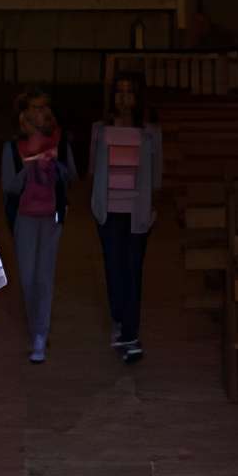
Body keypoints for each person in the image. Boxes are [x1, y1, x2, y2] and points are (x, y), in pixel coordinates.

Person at [89, 69, 163, 364]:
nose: (123, 98)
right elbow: (93, 170)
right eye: (119, 92)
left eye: (129, 92)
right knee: (114, 269)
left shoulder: (150, 133)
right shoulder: (100, 130)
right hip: (109, 210)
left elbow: (156, 176)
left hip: (137, 212)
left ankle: (131, 335)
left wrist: (151, 207)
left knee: (133, 271)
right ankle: (120, 319)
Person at [0, 87, 77, 364]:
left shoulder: (60, 142)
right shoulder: (12, 148)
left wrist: (55, 166)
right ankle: (35, 326)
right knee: (28, 276)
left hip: (51, 216)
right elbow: (8, 186)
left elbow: (72, 176)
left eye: (45, 107)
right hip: (24, 218)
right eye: (35, 107)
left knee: (45, 275)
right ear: (24, 113)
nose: (41, 112)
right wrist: (29, 168)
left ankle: (40, 335)